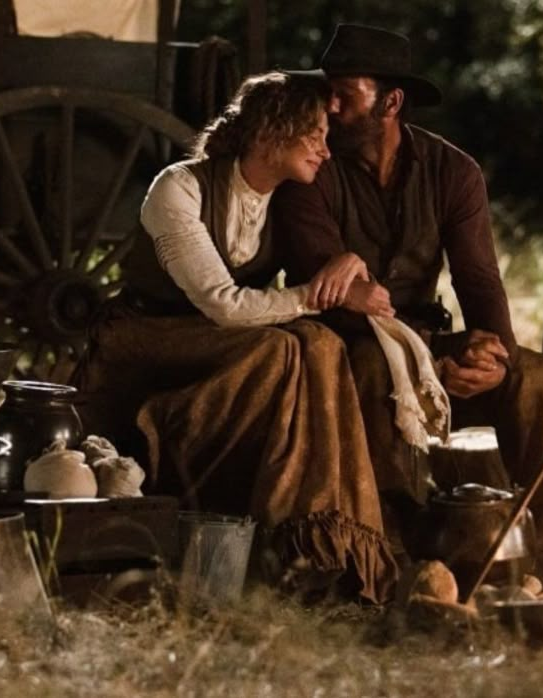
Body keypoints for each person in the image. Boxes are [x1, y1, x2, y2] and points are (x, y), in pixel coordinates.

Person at [272, 24, 543, 588]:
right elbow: (330, 291)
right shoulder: (310, 168)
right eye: (328, 92)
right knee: (372, 366)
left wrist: (491, 353)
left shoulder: (453, 172)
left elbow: (481, 282)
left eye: (347, 94)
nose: (331, 106)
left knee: (538, 377)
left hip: (428, 344)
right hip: (348, 345)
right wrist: (427, 360)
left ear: (391, 102)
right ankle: (393, 565)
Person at [72, 71, 398, 604]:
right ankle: (277, 546)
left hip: (217, 338)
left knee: (321, 345)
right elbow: (222, 304)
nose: (325, 151)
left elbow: (329, 272)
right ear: (272, 132)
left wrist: (347, 265)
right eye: (314, 133)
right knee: (281, 347)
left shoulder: (285, 198)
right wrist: (318, 295)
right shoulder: (179, 188)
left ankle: (321, 545)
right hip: (146, 337)